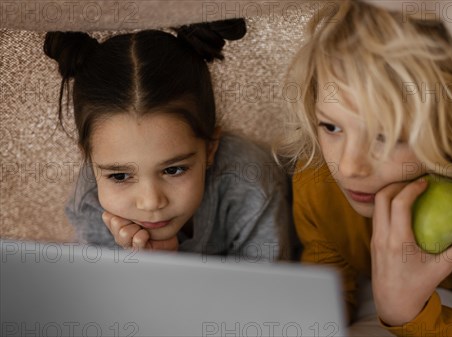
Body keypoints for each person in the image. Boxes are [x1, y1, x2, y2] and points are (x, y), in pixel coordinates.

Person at [278, 1, 452, 336]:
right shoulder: (316, 177)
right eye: (331, 127)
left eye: (387, 137)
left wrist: (405, 311)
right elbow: (327, 283)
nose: (348, 167)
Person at [44, 19, 291, 261]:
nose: (151, 202)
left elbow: (263, 297)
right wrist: (142, 265)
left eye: (174, 170)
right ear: (89, 159)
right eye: (119, 176)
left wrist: (171, 266)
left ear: (210, 148)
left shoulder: (250, 184)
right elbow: (105, 299)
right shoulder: (89, 202)